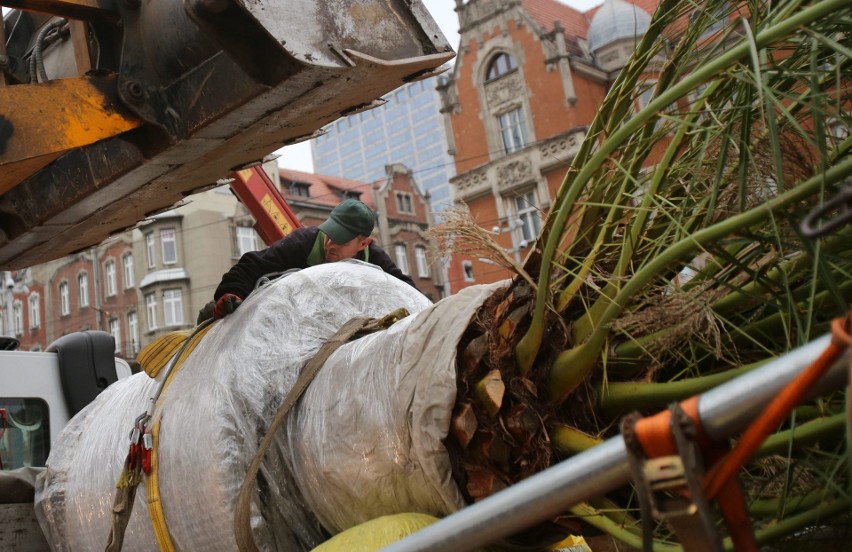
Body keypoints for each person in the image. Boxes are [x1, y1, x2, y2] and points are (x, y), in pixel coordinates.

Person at [203, 199, 416, 321]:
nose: (330, 243)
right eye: (331, 234)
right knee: (208, 314)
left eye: (340, 240)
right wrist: (231, 292)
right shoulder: (304, 242)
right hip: (283, 314)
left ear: (363, 244)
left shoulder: (376, 262)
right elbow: (252, 265)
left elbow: (407, 291)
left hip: (333, 322)